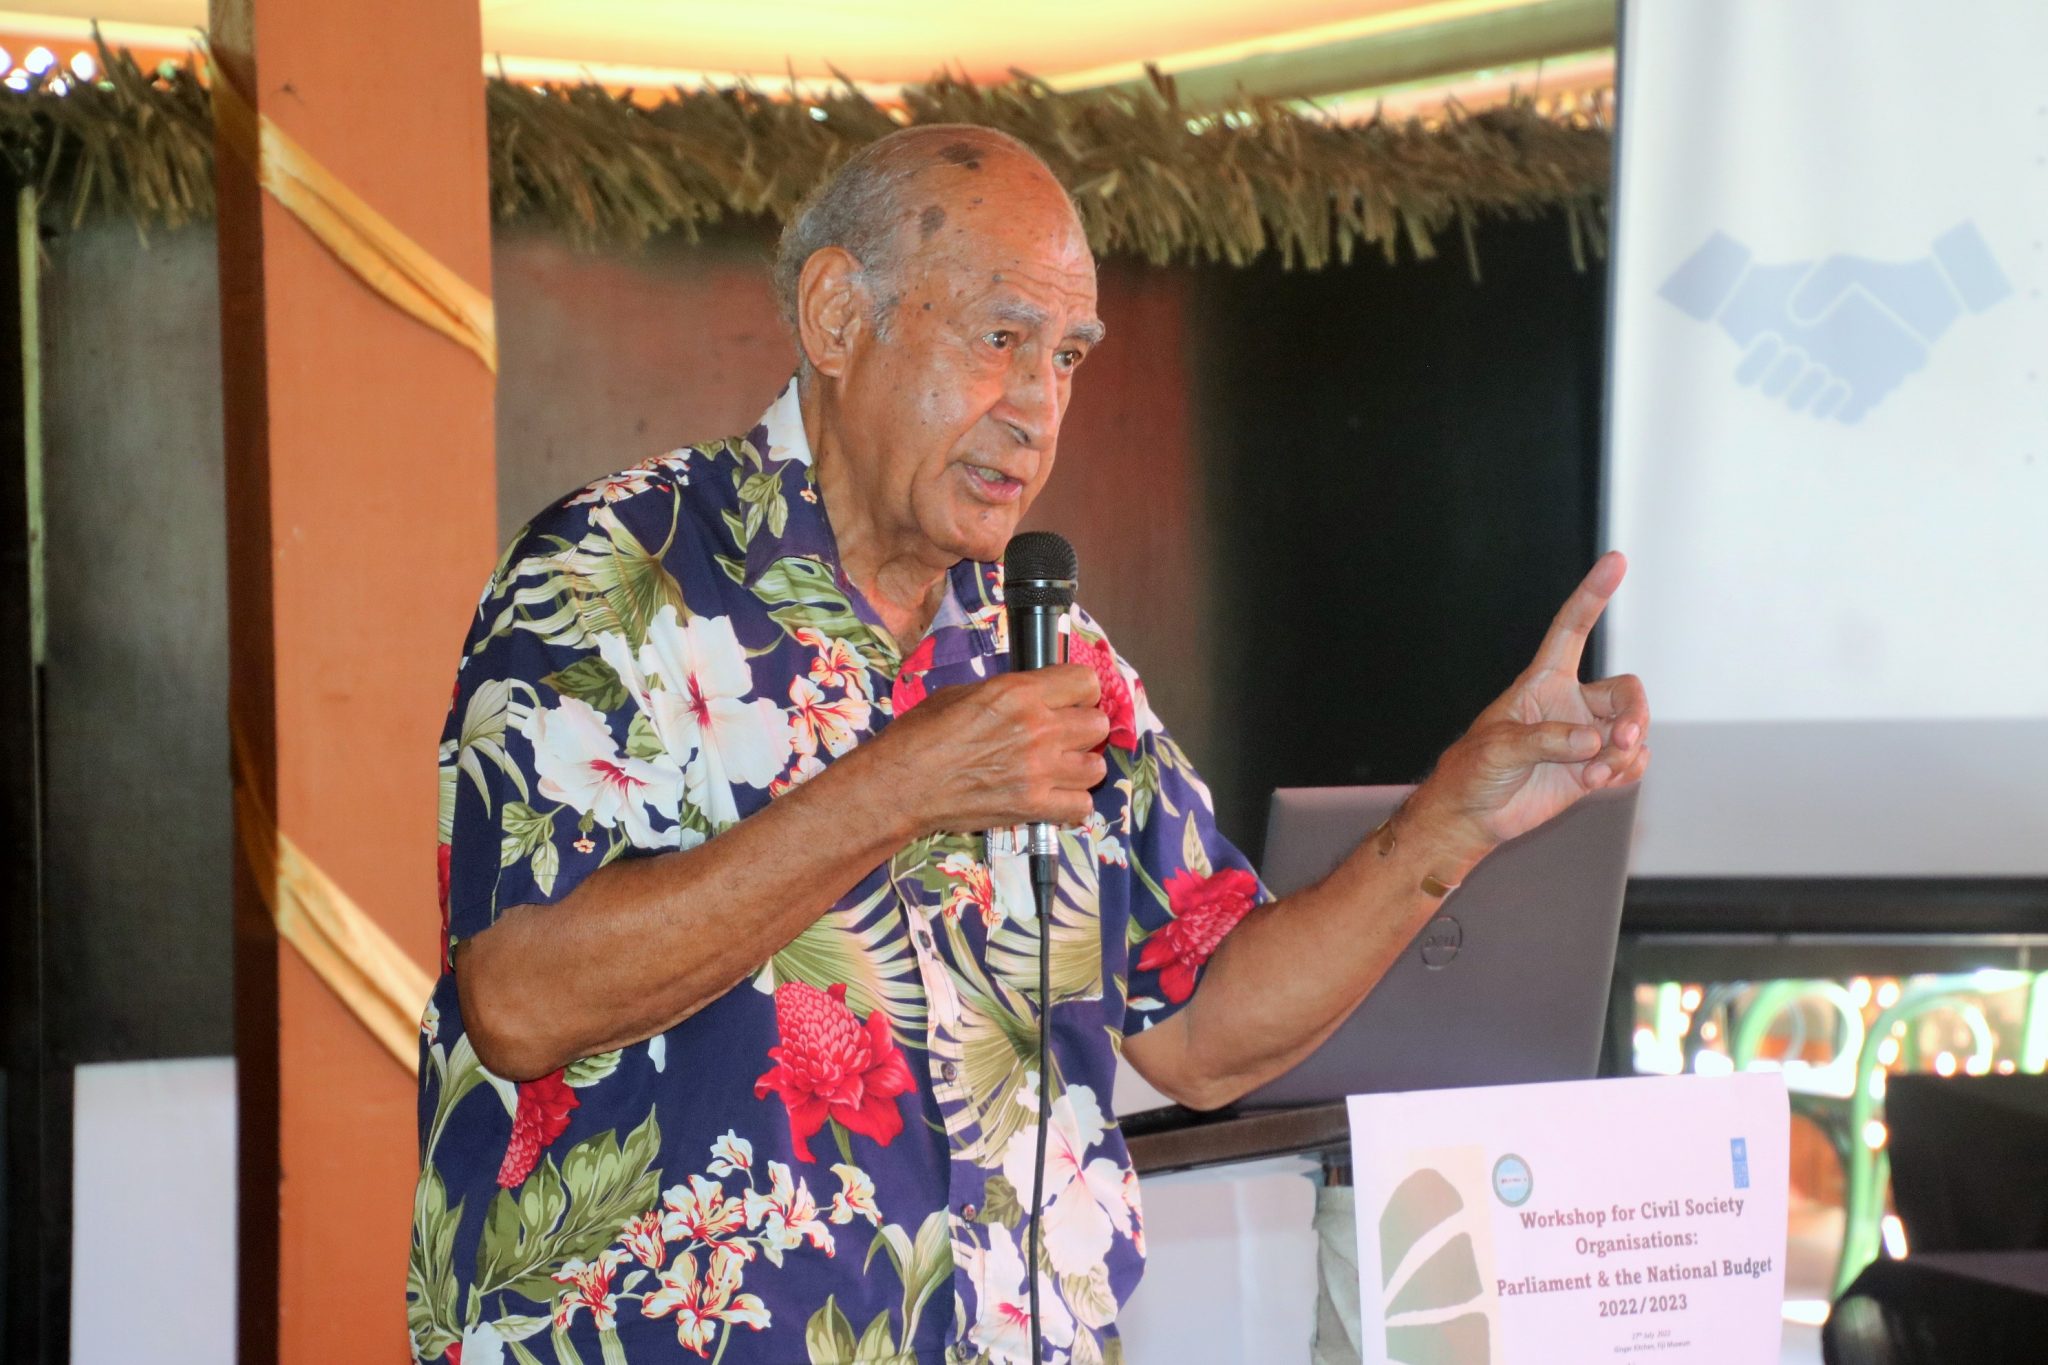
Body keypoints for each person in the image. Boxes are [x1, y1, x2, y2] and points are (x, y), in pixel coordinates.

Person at [407, 124, 1650, 1365]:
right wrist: (892, 791)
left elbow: (1208, 1033)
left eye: (1066, 358)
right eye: (1001, 341)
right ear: (838, 317)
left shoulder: (1046, 649)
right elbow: (518, 1000)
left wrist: (1458, 818)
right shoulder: (617, 572)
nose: (1038, 409)